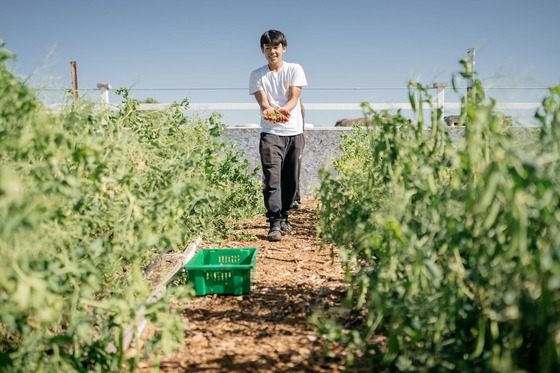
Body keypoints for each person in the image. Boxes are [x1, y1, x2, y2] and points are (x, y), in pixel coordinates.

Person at [249, 29, 307, 242]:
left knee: (290, 180)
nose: (272, 51)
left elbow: (293, 99)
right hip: (270, 132)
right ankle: (274, 223)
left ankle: (284, 216)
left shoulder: (295, 69)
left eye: (275, 47)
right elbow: (263, 102)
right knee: (272, 178)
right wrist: (269, 111)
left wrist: (284, 111)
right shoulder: (257, 75)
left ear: (284, 48)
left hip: (294, 132)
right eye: (267, 48)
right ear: (262, 50)